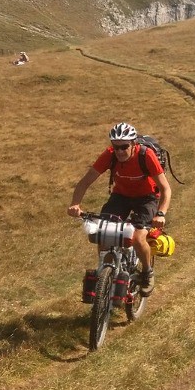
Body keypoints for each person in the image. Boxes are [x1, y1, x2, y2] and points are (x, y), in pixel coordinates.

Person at [67, 122, 171, 296]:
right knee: (104, 232)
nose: (120, 151)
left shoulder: (146, 155)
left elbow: (165, 188)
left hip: (147, 199)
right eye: (116, 147)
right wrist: (75, 203)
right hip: (121, 196)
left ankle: (147, 273)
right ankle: (104, 273)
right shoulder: (110, 155)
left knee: (138, 237)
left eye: (124, 147)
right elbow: (86, 181)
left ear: (133, 144)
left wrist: (161, 213)